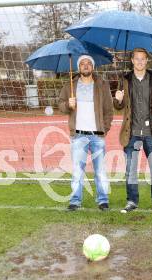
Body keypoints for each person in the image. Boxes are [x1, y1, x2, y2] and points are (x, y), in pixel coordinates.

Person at [114, 48, 152, 214]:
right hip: (131, 132)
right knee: (130, 170)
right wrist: (117, 100)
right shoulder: (125, 80)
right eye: (137, 59)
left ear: (147, 61)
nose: (140, 62)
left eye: (143, 59)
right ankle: (132, 201)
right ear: (132, 61)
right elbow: (119, 106)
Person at [58, 55, 113, 211]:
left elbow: (109, 110)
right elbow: (60, 105)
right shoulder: (70, 85)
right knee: (77, 170)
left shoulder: (102, 84)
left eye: (89, 63)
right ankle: (75, 201)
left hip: (97, 135)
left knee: (100, 171)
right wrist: (68, 105)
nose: (86, 65)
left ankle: (102, 200)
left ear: (93, 67)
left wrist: (105, 128)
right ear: (79, 67)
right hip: (79, 135)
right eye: (82, 63)